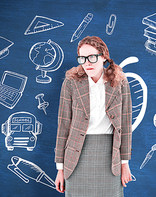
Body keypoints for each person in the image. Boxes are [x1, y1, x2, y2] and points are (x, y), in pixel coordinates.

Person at [54, 36, 133, 197]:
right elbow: (63, 127)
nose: (87, 63)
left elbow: (125, 125)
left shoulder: (120, 82)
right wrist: (60, 169)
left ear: (103, 56)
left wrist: (125, 163)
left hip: (110, 156)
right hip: (75, 157)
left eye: (92, 57)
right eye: (82, 58)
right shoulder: (71, 83)